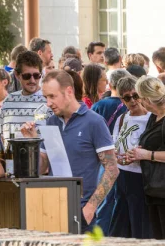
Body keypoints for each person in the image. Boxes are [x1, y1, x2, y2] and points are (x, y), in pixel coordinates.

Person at [21, 70, 118, 233]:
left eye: (52, 96)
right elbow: (42, 167)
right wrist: (31, 142)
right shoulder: (51, 121)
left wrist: (90, 208)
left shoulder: (94, 122)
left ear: (69, 92)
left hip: (81, 213)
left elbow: (112, 169)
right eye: (46, 97)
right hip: (51, 208)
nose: (48, 103)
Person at [109, 76, 152, 239]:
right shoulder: (121, 118)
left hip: (140, 177)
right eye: (127, 98)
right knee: (119, 225)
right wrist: (116, 156)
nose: (133, 101)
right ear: (122, 99)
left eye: (135, 95)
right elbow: (114, 143)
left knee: (140, 224)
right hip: (122, 175)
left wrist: (140, 154)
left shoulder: (151, 118)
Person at [91, 68, 129, 235]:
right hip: (123, 160)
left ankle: (100, 237)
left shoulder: (99, 105)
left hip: (101, 160)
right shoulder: (127, 106)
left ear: (111, 84)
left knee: (103, 203)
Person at [126, 76, 165, 239]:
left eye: (140, 98)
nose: (139, 101)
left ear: (148, 99)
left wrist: (147, 154)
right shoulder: (153, 116)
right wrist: (136, 153)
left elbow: (150, 152)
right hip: (153, 188)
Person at [0, 51, 47, 135]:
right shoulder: (9, 100)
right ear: (17, 75)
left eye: (36, 75)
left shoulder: (48, 101)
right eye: (27, 76)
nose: (32, 80)